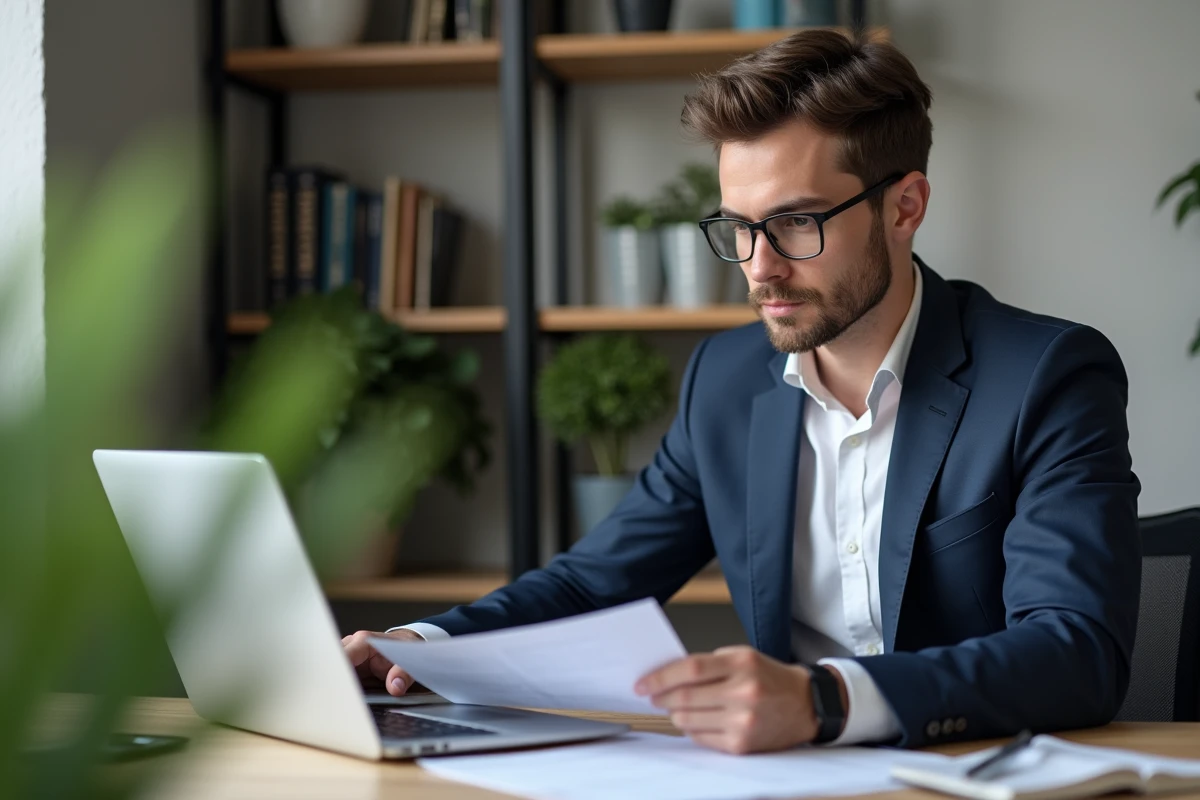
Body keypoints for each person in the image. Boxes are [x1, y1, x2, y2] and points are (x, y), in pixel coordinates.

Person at [343, 29, 1140, 755]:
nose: (760, 267)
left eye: (797, 223)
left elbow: (1076, 651)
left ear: (905, 207)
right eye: (739, 226)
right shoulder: (723, 382)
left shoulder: (1046, 375)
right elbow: (593, 582)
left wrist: (825, 700)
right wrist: (422, 645)